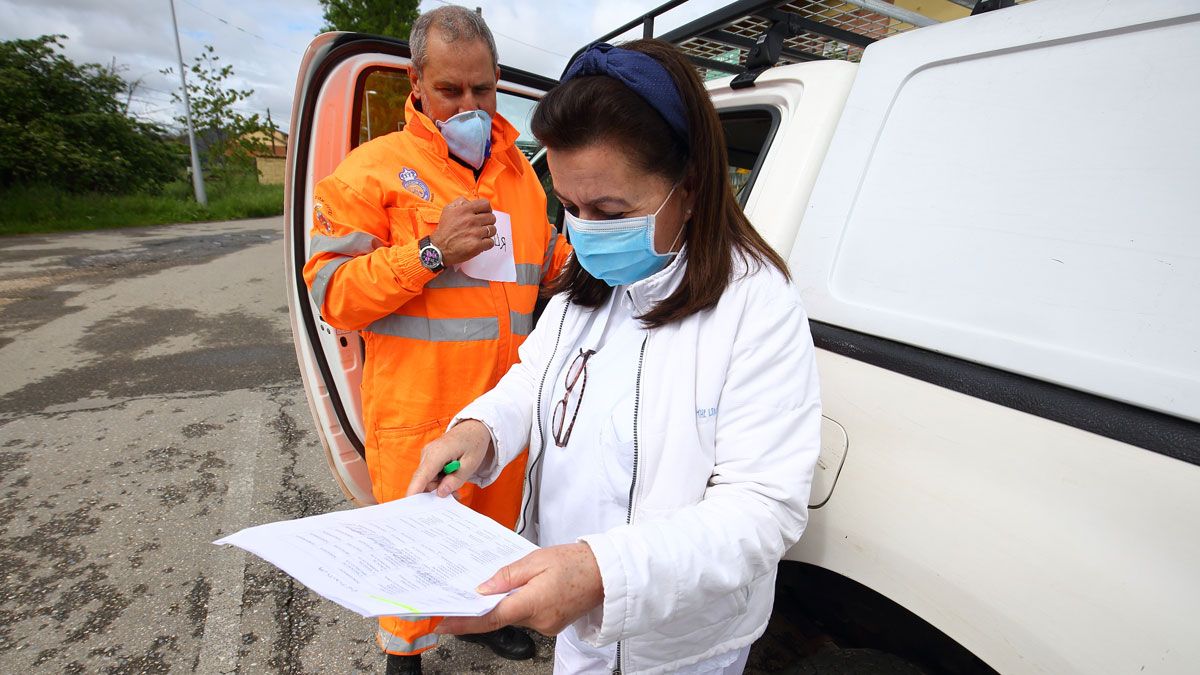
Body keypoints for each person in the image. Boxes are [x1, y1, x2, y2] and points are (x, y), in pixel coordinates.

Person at [406, 40, 823, 674]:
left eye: (610, 211)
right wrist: (479, 432)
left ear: (688, 186)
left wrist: (605, 572)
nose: (586, 231)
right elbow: (535, 380)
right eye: (570, 209)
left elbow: (763, 507)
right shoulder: (589, 287)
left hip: (683, 648)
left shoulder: (755, 303)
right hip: (581, 627)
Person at [302, 6, 570, 674]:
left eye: (482, 89)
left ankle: (479, 621)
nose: (469, 104)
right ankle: (405, 651)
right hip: (418, 411)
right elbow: (331, 292)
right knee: (412, 552)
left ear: (499, 80)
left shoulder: (520, 178)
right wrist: (427, 251)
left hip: (504, 408)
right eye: (451, 90)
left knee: (493, 535)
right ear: (416, 85)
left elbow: (550, 266)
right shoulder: (372, 172)